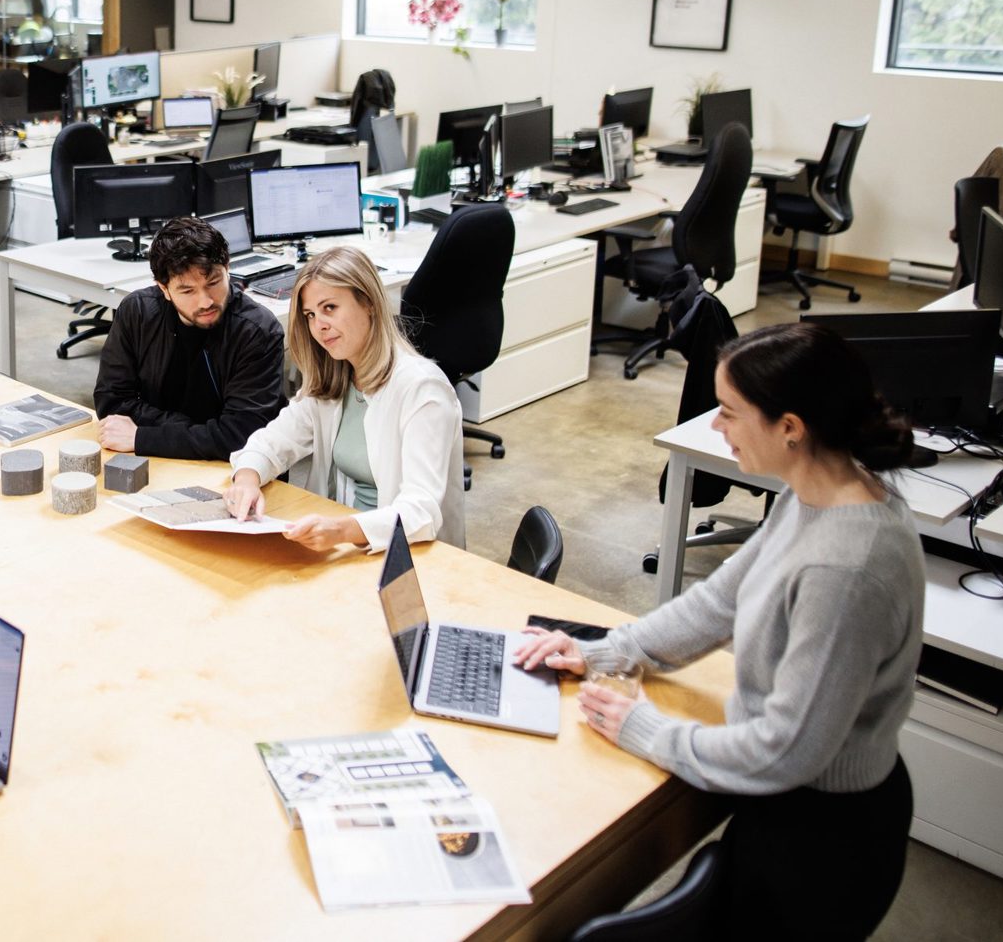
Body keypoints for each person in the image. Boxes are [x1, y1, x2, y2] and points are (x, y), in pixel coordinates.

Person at [514, 322, 924, 939]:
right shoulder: (810, 493)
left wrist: (642, 726)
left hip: (823, 837)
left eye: (729, 412)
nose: (714, 425)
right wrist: (603, 653)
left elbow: (786, 750)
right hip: (782, 807)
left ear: (790, 427)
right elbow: (717, 603)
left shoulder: (846, 568)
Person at [224, 246, 465, 553]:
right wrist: (247, 479)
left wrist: (342, 530)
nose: (318, 326)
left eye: (330, 308)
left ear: (369, 304)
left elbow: (421, 512)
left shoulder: (422, 389)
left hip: (406, 555)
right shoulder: (335, 379)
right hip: (345, 544)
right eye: (311, 315)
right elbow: (273, 440)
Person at [93, 216, 286, 460]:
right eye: (187, 291)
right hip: (158, 459)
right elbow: (112, 402)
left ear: (227, 268)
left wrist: (142, 436)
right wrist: (199, 431)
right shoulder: (138, 311)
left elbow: (241, 434)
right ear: (163, 289)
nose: (205, 301)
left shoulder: (258, 331)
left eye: (214, 282)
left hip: (237, 468)